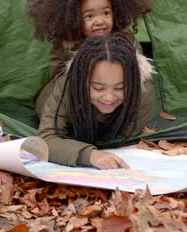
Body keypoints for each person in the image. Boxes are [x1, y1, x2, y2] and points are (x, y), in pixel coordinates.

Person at [28, 0, 153, 115]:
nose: (99, 21)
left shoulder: (125, 39)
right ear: (75, 19)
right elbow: (58, 74)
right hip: (76, 98)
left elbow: (137, 66)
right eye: (90, 16)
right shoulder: (68, 44)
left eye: (106, 13)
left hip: (112, 95)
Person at [38, 32, 155, 169]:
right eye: (98, 88)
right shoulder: (65, 87)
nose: (109, 97)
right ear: (81, 82)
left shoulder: (143, 93)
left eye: (120, 88)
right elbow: (47, 139)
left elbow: (124, 137)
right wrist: (89, 155)